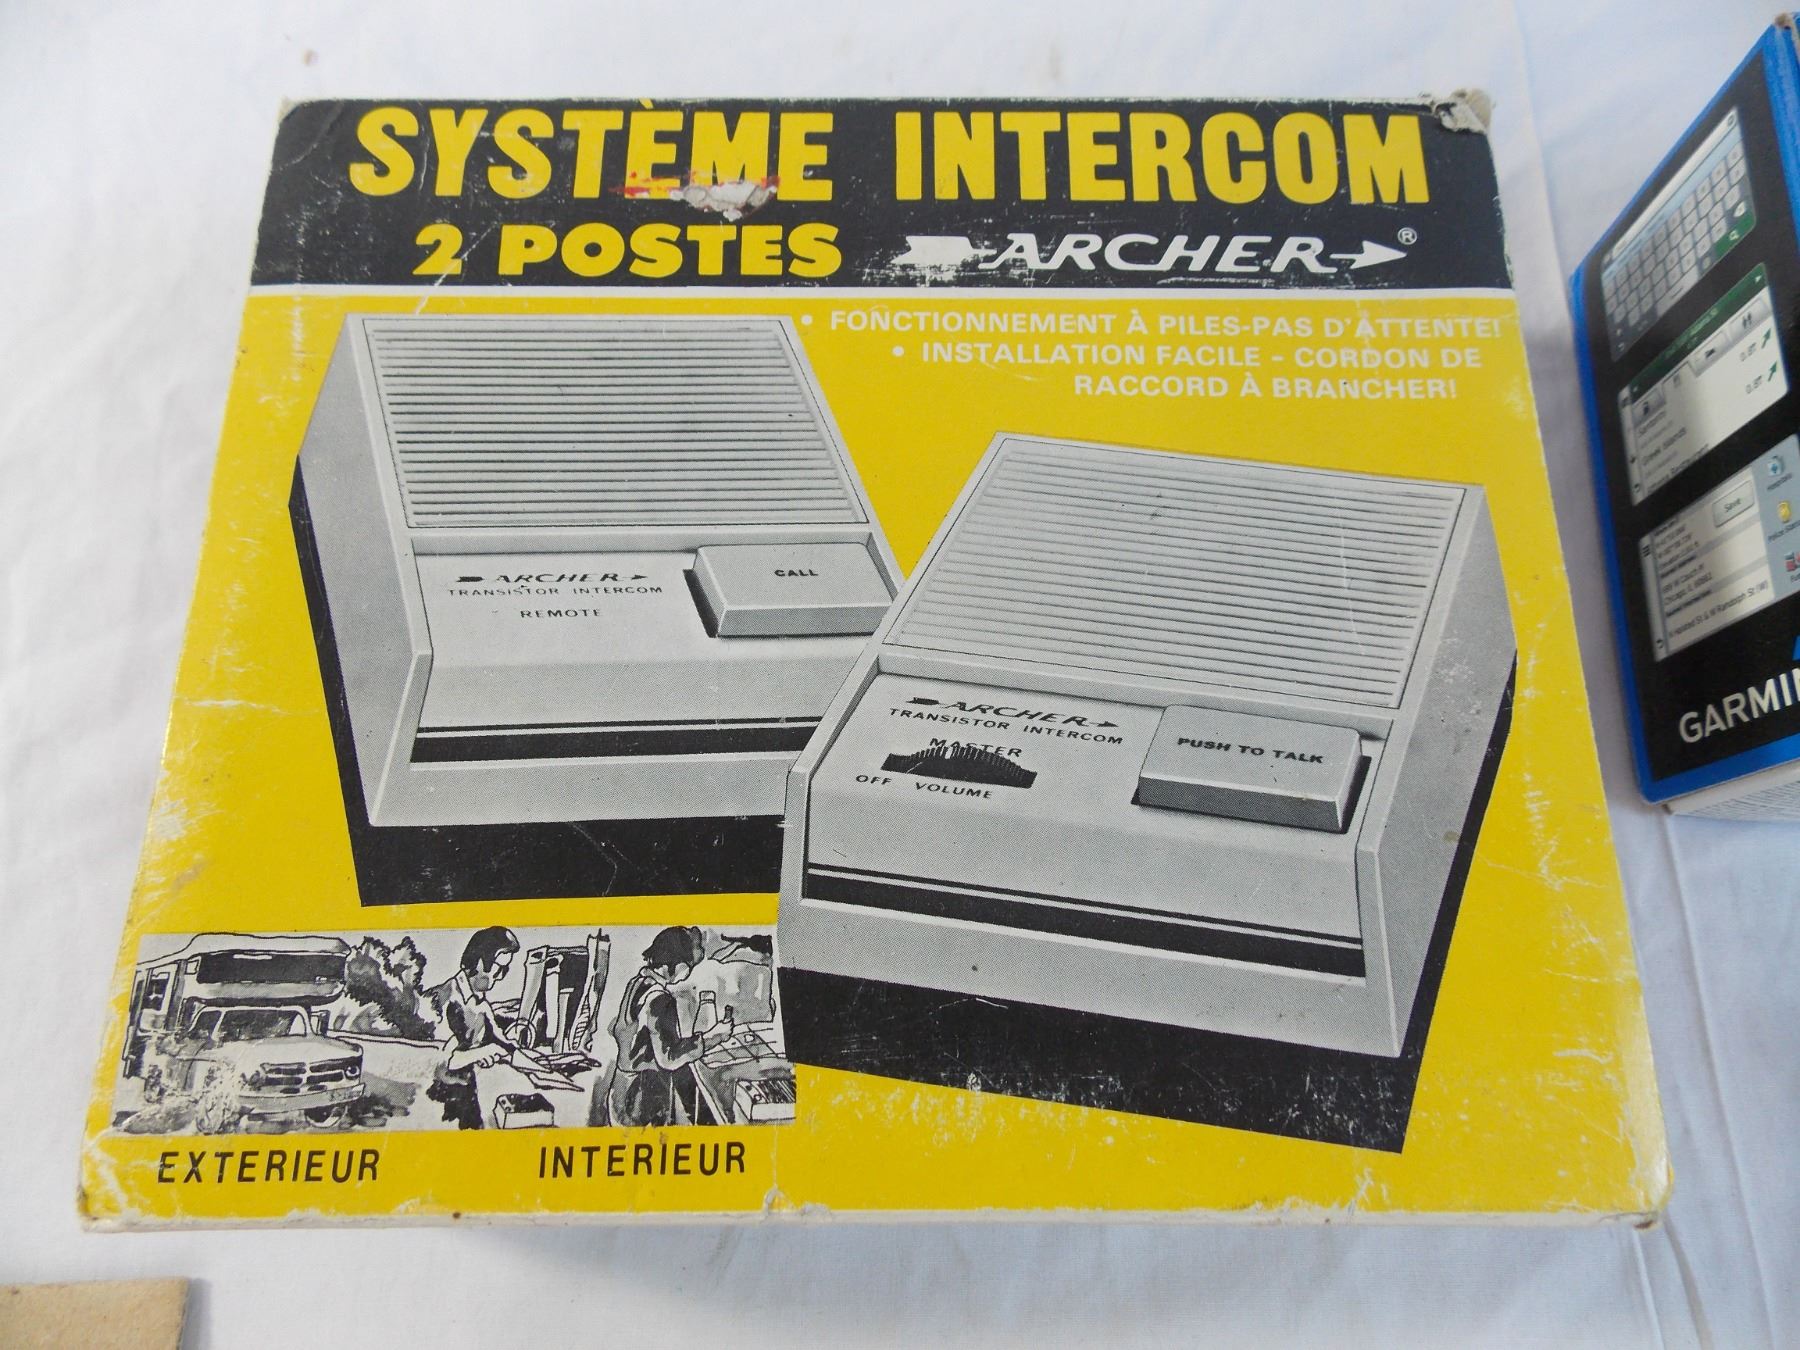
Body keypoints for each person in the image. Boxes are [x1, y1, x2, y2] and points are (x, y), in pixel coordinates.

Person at [599, 926, 735, 1127]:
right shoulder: (659, 999)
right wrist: (715, 1036)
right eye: (688, 965)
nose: (688, 972)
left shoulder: (638, 983)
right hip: (638, 1102)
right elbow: (669, 1058)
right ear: (675, 963)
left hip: (620, 1092)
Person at [425, 926, 522, 1130]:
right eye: (498, 968)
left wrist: (547, 1067)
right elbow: (441, 1060)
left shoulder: (481, 1005)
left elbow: (503, 1044)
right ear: (479, 962)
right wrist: (484, 1052)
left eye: (505, 970)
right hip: (438, 1106)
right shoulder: (443, 999)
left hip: (468, 1096)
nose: (501, 976)